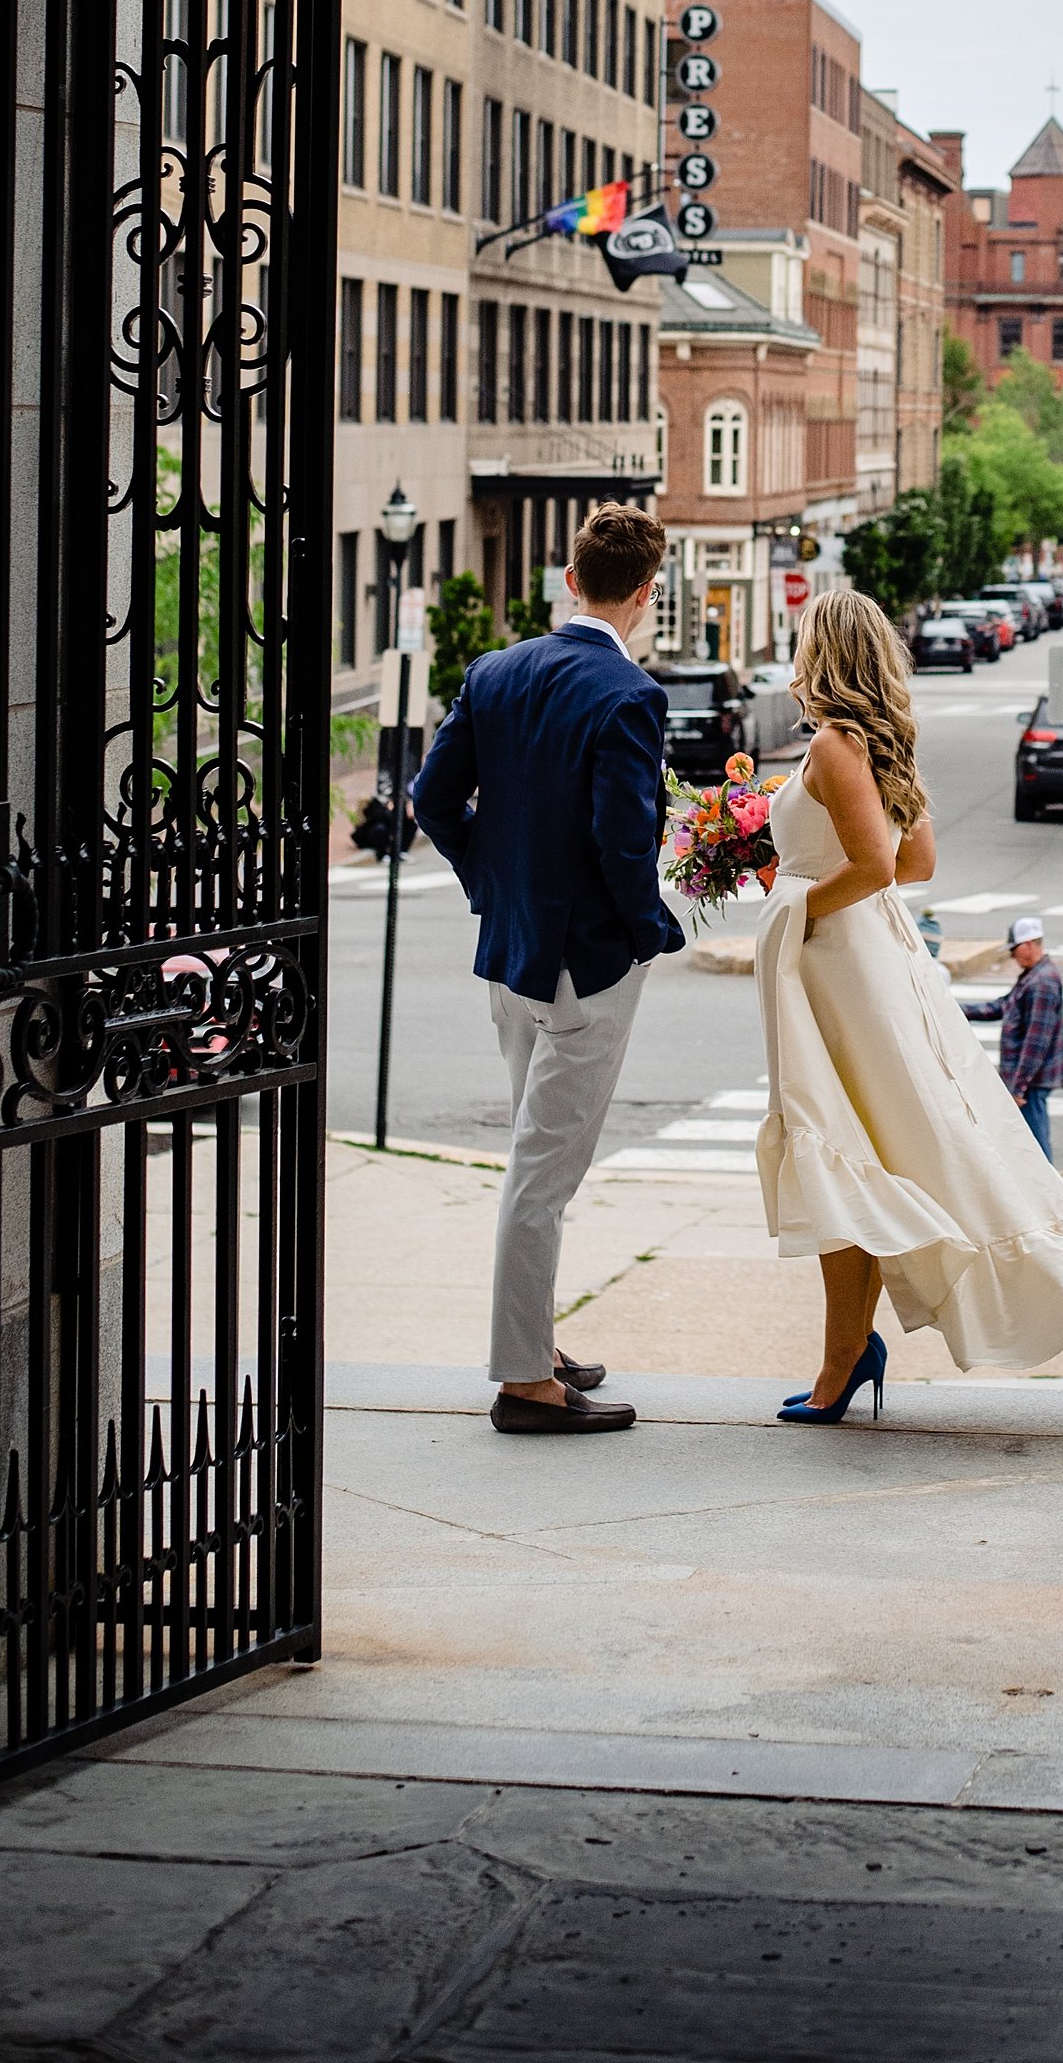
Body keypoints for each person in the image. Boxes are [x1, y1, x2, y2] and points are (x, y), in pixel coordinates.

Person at [753, 586, 1063, 1420]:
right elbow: (914, 863)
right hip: (855, 962)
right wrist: (795, 878)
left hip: (839, 966)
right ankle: (845, 1355)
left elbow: (880, 866)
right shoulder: (865, 744)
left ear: (823, 651)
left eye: (804, 643)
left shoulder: (838, 746)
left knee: (845, 1154)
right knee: (855, 1159)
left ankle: (844, 1359)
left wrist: (793, 901)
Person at [409, 502, 684, 1434]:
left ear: (571, 579)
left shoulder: (495, 671)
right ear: (646, 593)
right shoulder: (629, 696)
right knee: (545, 1169)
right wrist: (651, 929)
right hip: (584, 966)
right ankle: (525, 1378)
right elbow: (621, 843)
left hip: (510, 954)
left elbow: (432, 798)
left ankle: (536, 1339)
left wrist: (491, 878)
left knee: (535, 1157)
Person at [960, 915, 1063, 1158]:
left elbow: (1035, 1042)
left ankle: (1048, 1195)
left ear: (1028, 945)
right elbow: (1002, 1006)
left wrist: (1018, 1087)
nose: (1012, 956)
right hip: (1028, 1080)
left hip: (1031, 1081)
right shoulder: (1034, 976)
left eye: (1014, 949)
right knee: (1029, 1143)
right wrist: (958, 1009)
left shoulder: (1042, 982)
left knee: (1037, 1146)